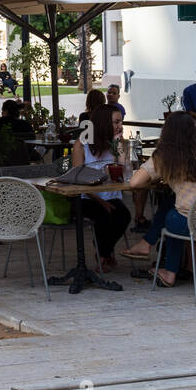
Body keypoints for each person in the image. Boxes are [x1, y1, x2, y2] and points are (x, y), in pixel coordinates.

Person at [120, 111, 196, 287]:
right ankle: (177, 261)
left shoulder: (165, 156)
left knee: (174, 218)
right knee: (174, 207)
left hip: (194, 222)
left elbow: (134, 183)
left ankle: (169, 271)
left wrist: (165, 175)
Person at [70, 105, 131, 271]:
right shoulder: (81, 145)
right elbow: (78, 181)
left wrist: (120, 149)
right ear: (103, 123)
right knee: (103, 215)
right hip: (85, 197)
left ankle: (103, 253)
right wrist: (100, 201)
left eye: (121, 122)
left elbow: (126, 174)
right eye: (116, 122)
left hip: (111, 196)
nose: (121, 126)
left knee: (123, 216)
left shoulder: (118, 143)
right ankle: (105, 254)